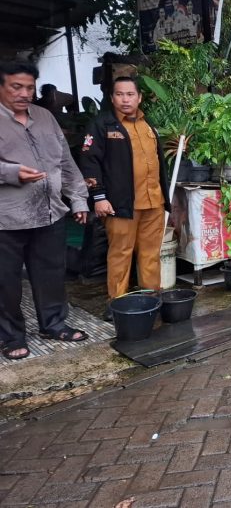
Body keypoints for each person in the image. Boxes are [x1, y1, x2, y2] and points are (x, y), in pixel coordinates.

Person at [0, 61, 90, 360]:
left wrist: (78, 200)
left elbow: (65, 163)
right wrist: (12, 173)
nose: (25, 93)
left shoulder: (45, 117)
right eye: (17, 87)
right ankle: (11, 336)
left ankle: (53, 324)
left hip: (50, 212)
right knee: (6, 281)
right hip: (7, 218)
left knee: (51, 273)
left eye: (29, 87)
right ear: (2, 87)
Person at [79, 77, 170, 321]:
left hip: (153, 202)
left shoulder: (147, 124)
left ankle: (151, 298)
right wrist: (98, 196)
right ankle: (116, 302)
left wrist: (167, 199)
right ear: (112, 98)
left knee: (150, 253)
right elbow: (89, 162)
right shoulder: (102, 125)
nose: (125, 99)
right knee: (121, 253)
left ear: (139, 97)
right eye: (120, 94)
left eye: (130, 94)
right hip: (121, 205)